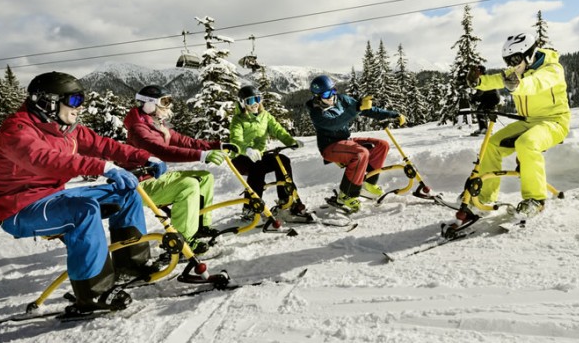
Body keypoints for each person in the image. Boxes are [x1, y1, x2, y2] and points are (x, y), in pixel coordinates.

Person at [0, 71, 168, 313]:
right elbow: (46, 160)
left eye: (81, 102)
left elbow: (104, 145)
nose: (79, 108)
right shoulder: (17, 130)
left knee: (126, 192)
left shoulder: (65, 128)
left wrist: (145, 156)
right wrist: (102, 167)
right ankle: (93, 293)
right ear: (48, 101)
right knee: (83, 211)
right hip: (19, 209)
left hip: (53, 197)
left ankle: (130, 265)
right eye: (73, 101)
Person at [123, 85, 238, 254]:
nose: (168, 106)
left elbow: (185, 141)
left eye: (169, 101)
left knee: (205, 177)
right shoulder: (139, 130)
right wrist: (202, 156)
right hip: (141, 184)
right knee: (188, 185)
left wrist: (217, 145)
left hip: (156, 177)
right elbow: (162, 151)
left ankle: (199, 226)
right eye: (164, 102)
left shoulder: (156, 125)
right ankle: (183, 240)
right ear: (148, 105)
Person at [466, 33, 570, 217]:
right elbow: (498, 79)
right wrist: (478, 82)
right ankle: (485, 197)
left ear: (529, 53)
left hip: (554, 122)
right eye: (508, 61)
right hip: (528, 121)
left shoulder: (552, 68)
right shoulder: (518, 71)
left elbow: (536, 83)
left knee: (526, 144)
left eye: (515, 59)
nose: (512, 65)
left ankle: (535, 200)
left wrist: (517, 85)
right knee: (491, 144)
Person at [305, 75, 405, 212]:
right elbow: (334, 124)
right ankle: (346, 195)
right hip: (329, 147)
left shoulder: (341, 99)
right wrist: (356, 108)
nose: (331, 96)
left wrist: (392, 114)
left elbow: (366, 109)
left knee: (381, 145)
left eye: (333, 91)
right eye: (327, 93)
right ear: (317, 96)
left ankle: (368, 184)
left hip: (345, 141)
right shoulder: (316, 112)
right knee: (360, 153)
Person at [228, 85, 305, 220]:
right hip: (241, 157)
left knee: (283, 160)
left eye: (257, 99)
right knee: (257, 167)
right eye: (250, 101)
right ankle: (251, 208)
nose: (255, 104)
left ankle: (285, 200)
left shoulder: (265, 116)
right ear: (242, 103)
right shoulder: (238, 120)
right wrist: (247, 149)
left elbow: (278, 130)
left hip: (260, 155)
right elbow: (235, 140)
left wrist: (291, 142)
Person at [469, 64, 501, 136]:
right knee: (480, 111)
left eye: (477, 71)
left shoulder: (482, 79)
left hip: (492, 97)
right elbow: (480, 93)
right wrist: (474, 98)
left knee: (481, 111)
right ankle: (482, 128)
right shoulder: (482, 78)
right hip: (488, 97)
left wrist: (474, 98)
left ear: (480, 71)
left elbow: (480, 92)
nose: (476, 73)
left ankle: (485, 129)